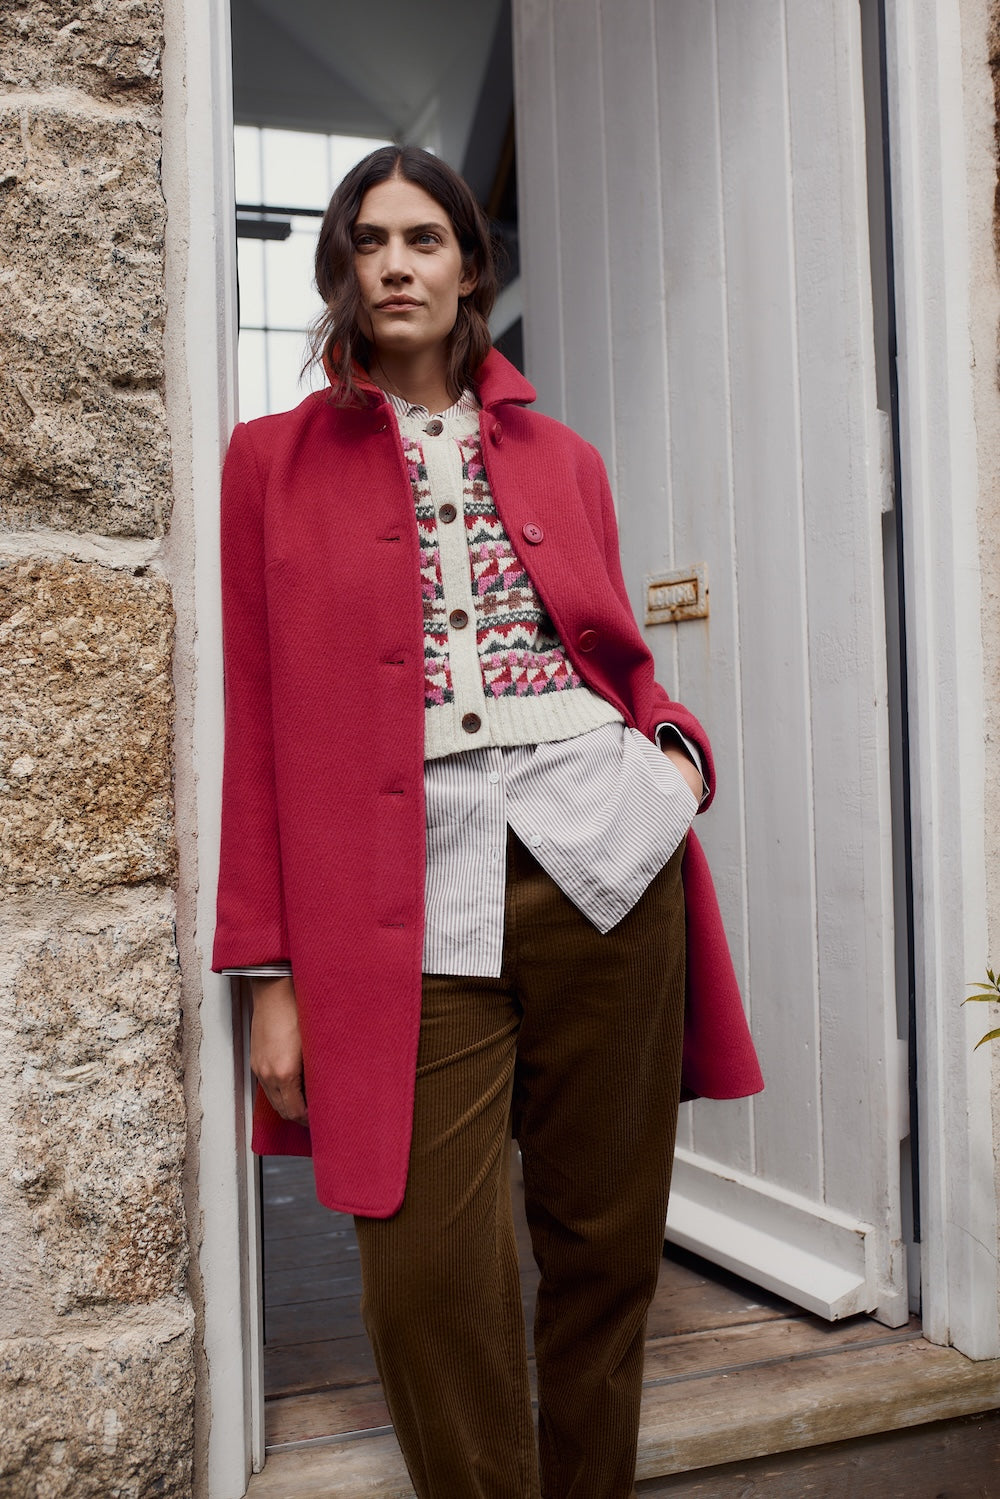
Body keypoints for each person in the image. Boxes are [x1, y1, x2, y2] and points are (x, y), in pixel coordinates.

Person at [214, 145, 763, 1499]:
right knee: (425, 1277)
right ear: (340, 269)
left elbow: (615, 656)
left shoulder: (564, 457)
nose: (394, 262)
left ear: (471, 267)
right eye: (367, 241)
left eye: (423, 239)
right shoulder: (265, 464)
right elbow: (256, 720)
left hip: (603, 862)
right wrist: (270, 974)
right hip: (400, 896)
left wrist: (677, 765)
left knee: (604, 1249)